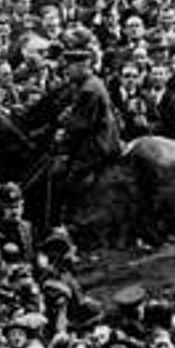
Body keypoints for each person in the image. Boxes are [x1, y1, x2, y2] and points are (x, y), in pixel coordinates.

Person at [51, 31, 121, 226]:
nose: (67, 71)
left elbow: (80, 126)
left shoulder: (89, 89)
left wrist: (61, 137)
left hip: (98, 143)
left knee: (68, 177)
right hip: (101, 137)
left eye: (70, 67)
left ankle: (76, 219)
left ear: (82, 66)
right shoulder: (91, 84)